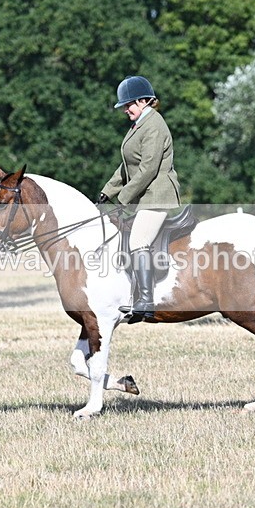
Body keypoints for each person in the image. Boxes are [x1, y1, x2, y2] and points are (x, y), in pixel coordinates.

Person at [97, 76, 181, 323]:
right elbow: (126, 166)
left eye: (128, 104)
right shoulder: (138, 125)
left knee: (138, 241)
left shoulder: (154, 124)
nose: (125, 109)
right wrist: (107, 191)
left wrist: (123, 198)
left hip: (158, 194)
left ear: (143, 101)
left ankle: (145, 301)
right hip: (145, 195)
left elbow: (147, 169)